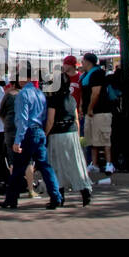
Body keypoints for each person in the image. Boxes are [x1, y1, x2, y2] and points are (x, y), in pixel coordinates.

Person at [0, 78, 62, 210]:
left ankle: (11, 199)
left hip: (28, 133)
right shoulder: (39, 93)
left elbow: (23, 119)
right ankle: (56, 197)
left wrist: (18, 140)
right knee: (45, 166)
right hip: (38, 131)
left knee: (18, 167)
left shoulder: (23, 94)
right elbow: (43, 116)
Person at [45, 64, 93, 207]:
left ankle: (59, 196)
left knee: (57, 165)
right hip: (71, 133)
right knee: (75, 164)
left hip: (57, 134)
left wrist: (45, 134)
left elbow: (50, 120)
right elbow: (77, 119)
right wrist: (77, 136)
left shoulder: (53, 99)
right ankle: (85, 192)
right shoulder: (71, 99)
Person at [79, 53, 114, 176]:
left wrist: (90, 108)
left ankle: (109, 163)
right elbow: (84, 93)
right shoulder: (84, 76)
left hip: (101, 111)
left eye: (83, 61)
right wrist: (82, 107)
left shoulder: (97, 73)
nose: (81, 63)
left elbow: (96, 92)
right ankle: (94, 164)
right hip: (89, 113)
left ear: (88, 62)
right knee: (91, 140)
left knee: (104, 138)